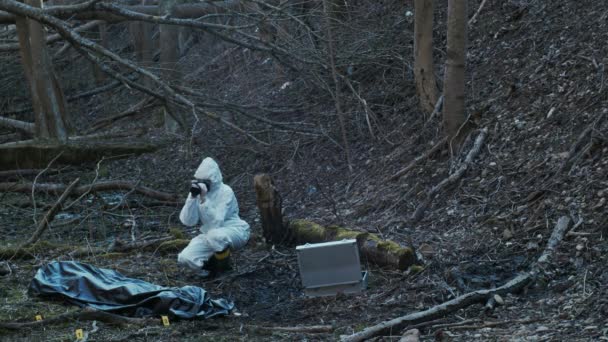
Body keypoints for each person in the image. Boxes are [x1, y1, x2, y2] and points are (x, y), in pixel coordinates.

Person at [177, 157, 250, 276]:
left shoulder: (226, 191)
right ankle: (212, 268)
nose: (202, 183)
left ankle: (224, 268)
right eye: (199, 180)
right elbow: (188, 221)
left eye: (205, 180)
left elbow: (217, 221)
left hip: (234, 231)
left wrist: (204, 199)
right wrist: (192, 198)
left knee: (215, 236)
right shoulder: (198, 192)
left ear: (214, 179)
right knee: (185, 258)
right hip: (210, 234)